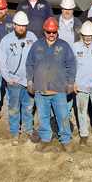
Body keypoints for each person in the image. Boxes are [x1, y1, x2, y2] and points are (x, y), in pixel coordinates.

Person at [26, 16, 78, 152]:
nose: (51, 35)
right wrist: (30, 81)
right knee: (42, 115)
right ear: (44, 31)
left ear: (57, 31)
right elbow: (29, 63)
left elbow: (71, 65)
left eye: (53, 32)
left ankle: (65, 139)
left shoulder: (64, 46)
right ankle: (45, 138)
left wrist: (70, 83)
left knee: (62, 115)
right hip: (40, 89)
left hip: (58, 89)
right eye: (48, 32)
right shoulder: (37, 46)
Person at [0, 11, 38, 146]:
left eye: (24, 26)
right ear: (14, 25)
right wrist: (7, 78)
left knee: (28, 107)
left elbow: (38, 58)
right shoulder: (6, 40)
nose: (21, 28)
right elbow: (2, 61)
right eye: (19, 25)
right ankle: (15, 132)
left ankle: (29, 129)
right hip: (14, 81)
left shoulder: (32, 37)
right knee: (14, 108)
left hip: (28, 80)